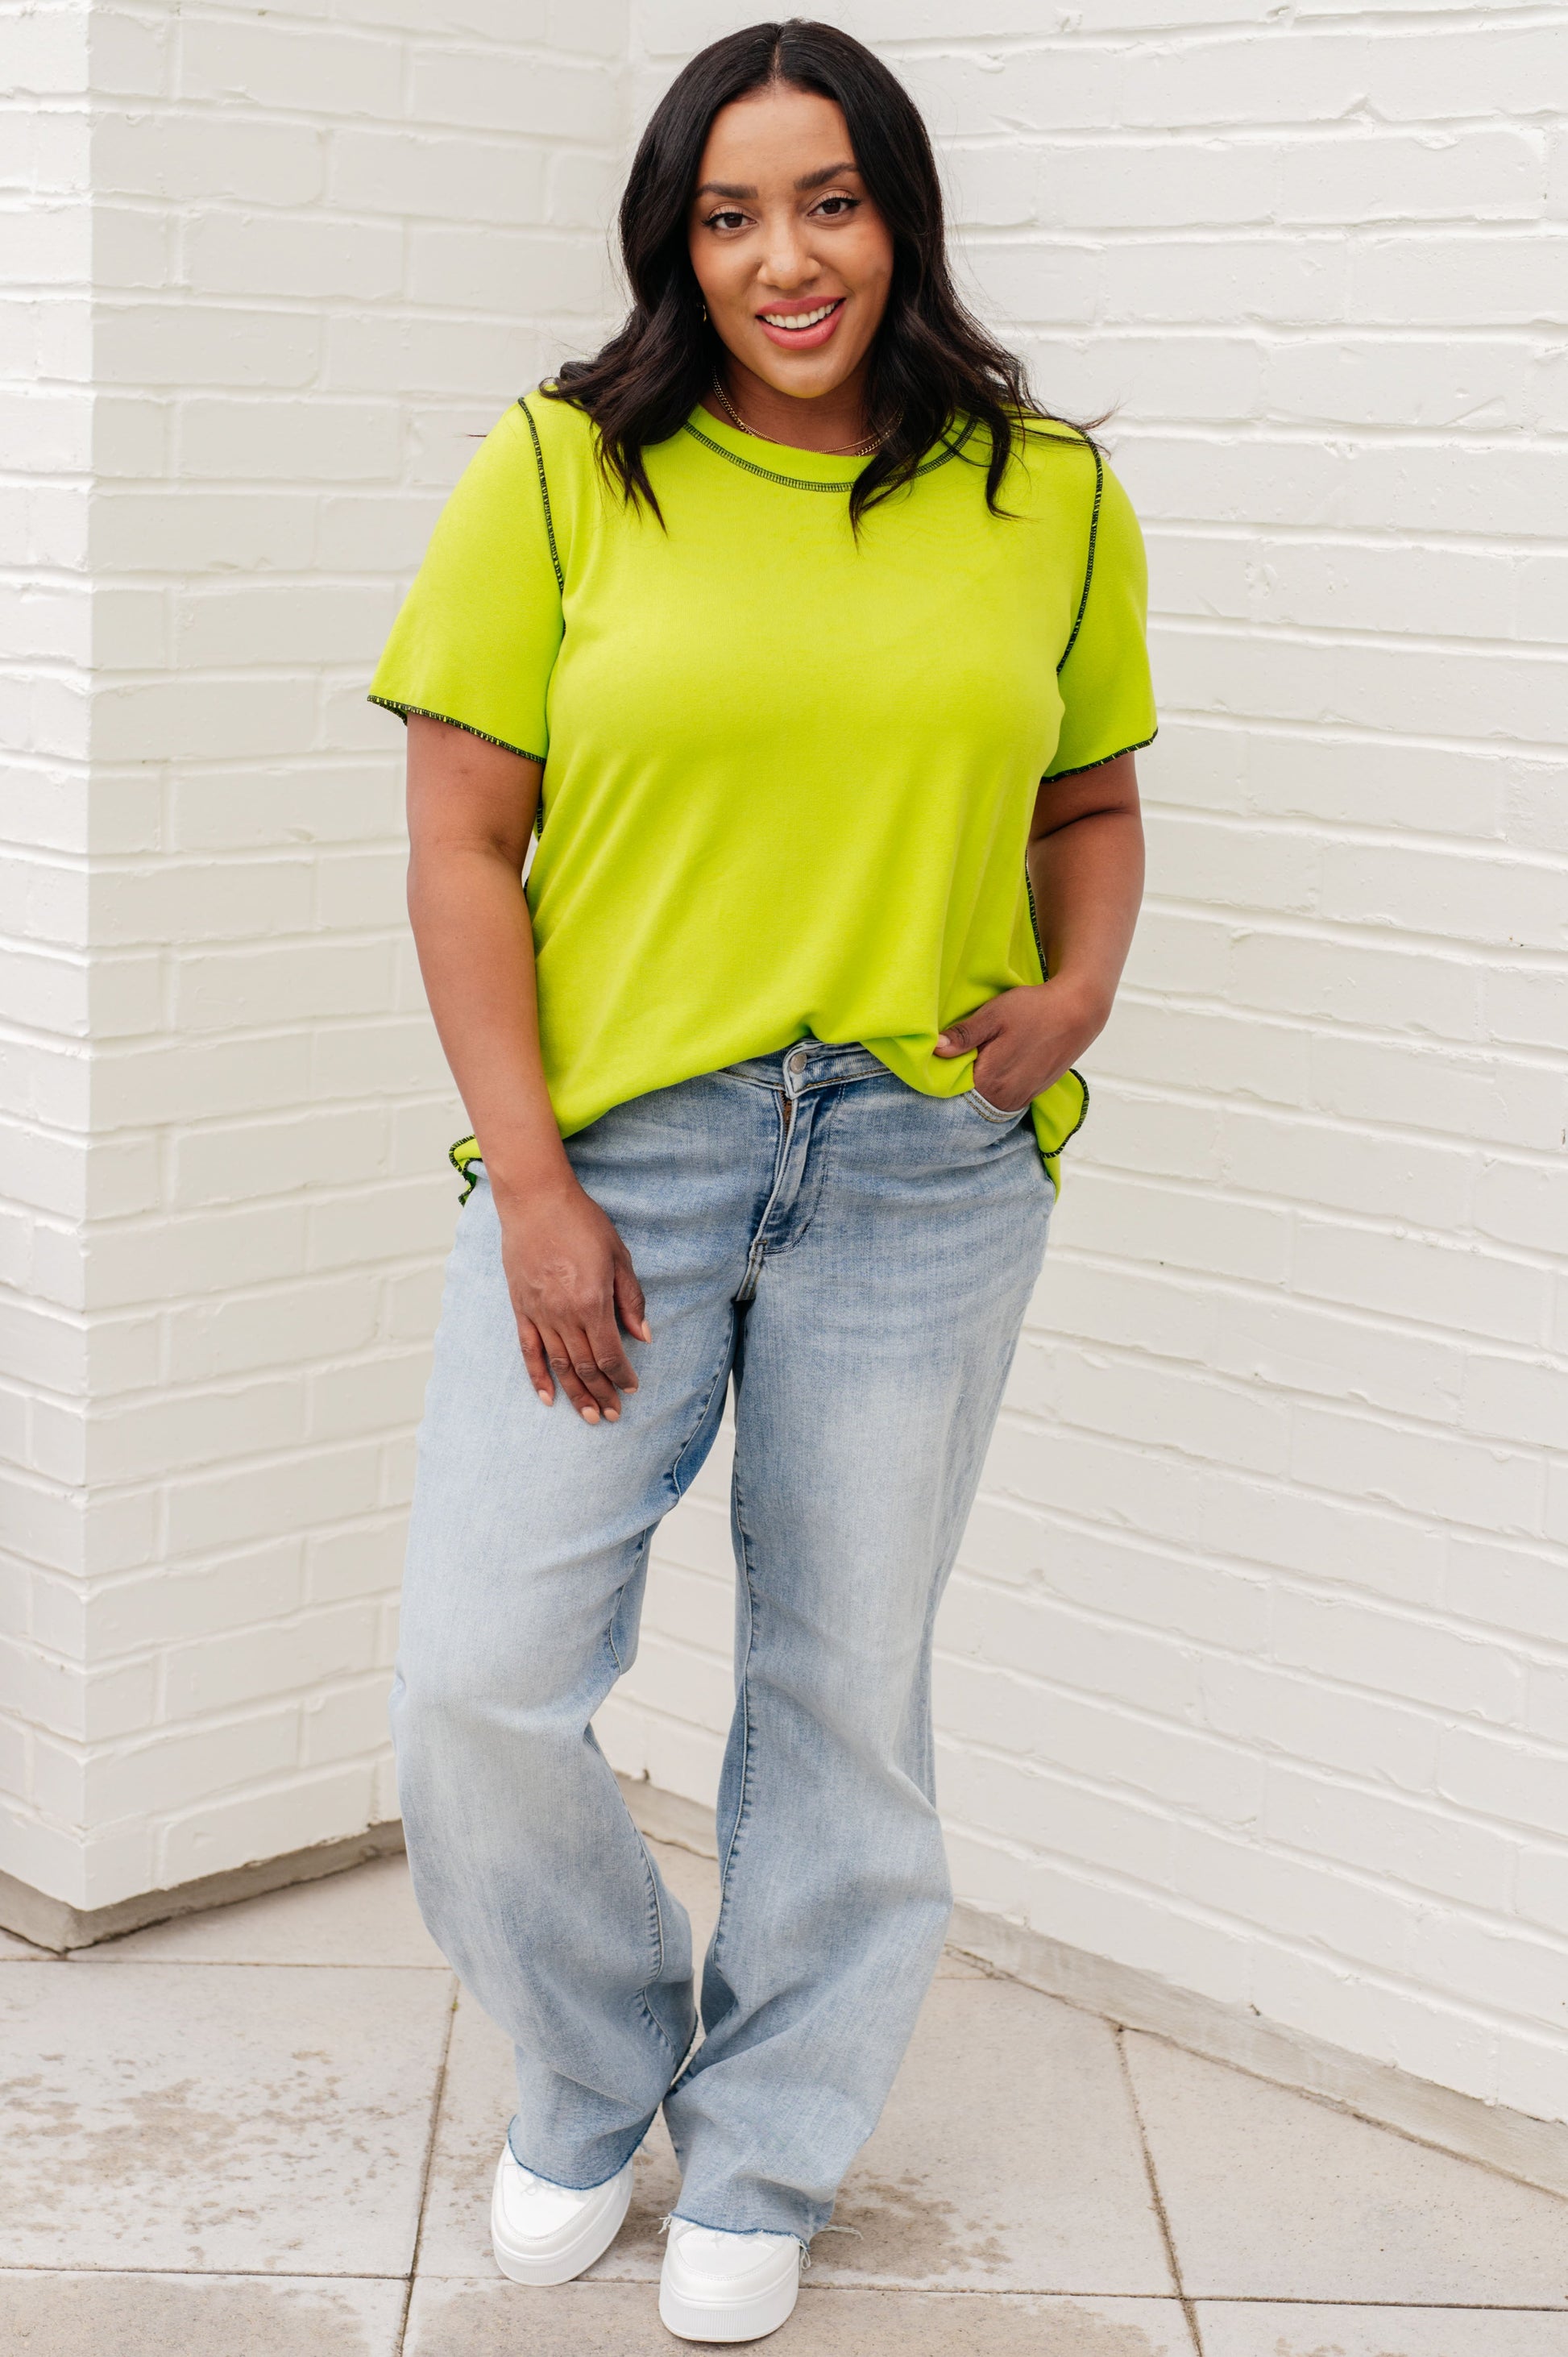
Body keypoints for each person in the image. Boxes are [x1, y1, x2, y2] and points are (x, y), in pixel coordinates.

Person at [369, 18, 1154, 2345]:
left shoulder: (1043, 494)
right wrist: (534, 1184)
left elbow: (1091, 798)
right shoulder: (559, 471)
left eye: (827, 201)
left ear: (897, 216)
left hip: (924, 1160)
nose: (783, 258)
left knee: (842, 1694)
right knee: (480, 1677)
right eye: (729, 215)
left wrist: (1078, 994)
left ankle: (773, 2140)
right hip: (620, 1154)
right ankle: (595, 2064)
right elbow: (460, 844)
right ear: (674, 243)